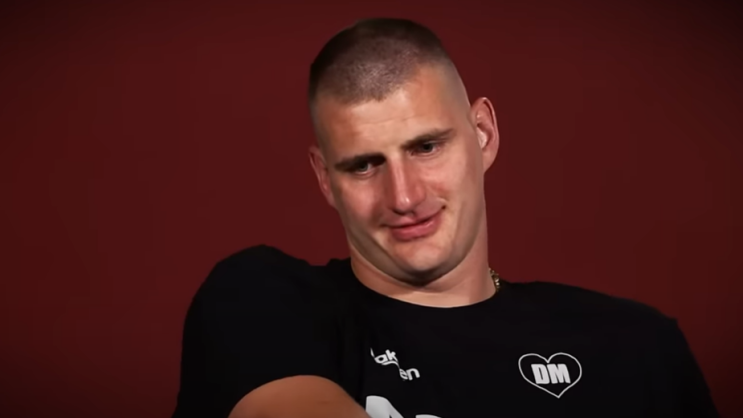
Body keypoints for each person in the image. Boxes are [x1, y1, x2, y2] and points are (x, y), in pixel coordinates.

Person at [171, 18, 718, 418]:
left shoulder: (637, 346)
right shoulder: (264, 299)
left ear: (483, 134)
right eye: (364, 165)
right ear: (324, 178)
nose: (404, 196)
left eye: (427, 147)